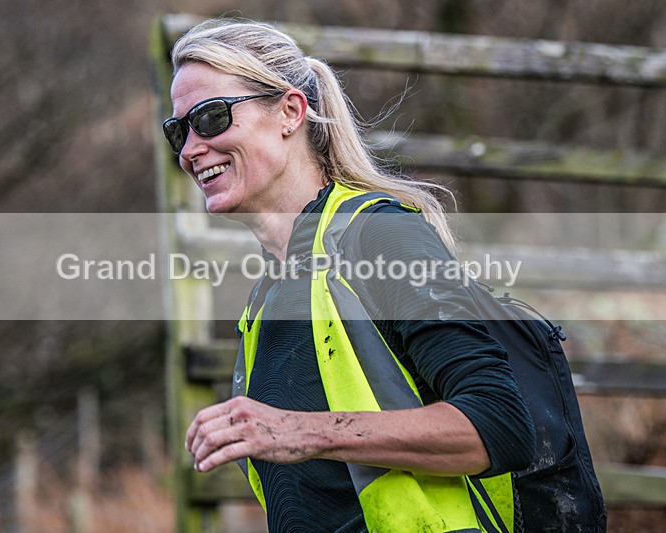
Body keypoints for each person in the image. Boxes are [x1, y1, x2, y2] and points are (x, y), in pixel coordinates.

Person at [165, 18, 536, 532]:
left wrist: (302, 432)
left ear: (290, 112)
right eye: (177, 131)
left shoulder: (380, 237)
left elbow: (500, 426)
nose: (189, 149)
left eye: (209, 118)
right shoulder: (267, 297)